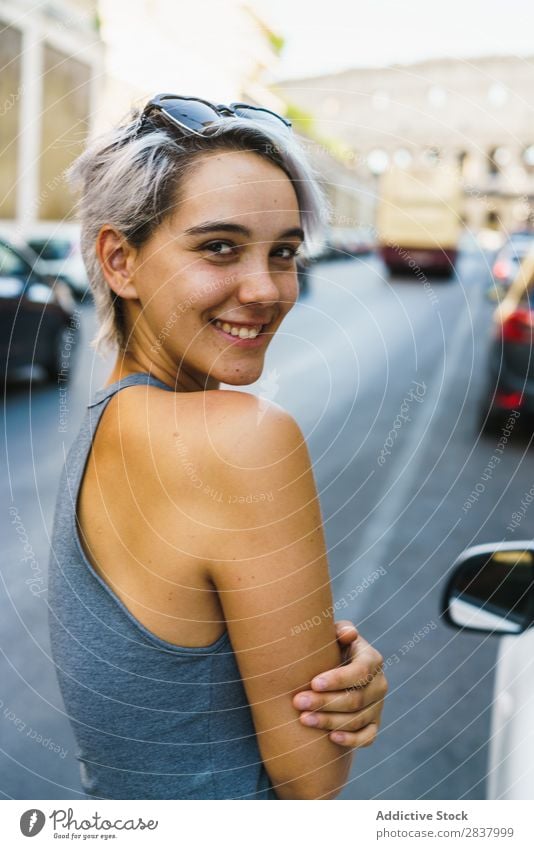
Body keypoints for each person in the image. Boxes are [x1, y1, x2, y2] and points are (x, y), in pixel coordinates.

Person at [48, 94, 387, 800]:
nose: (266, 289)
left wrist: (322, 666)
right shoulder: (240, 437)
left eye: (285, 252)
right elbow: (314, 776)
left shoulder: (103, 424)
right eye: (219, 247)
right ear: (120, 260)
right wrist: (339, 701)